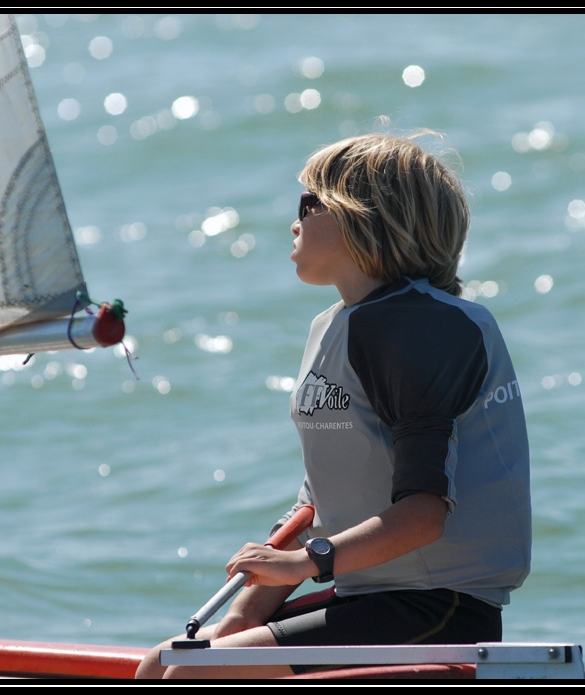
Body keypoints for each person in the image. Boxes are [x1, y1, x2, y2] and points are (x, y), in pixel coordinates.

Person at [136, 132, 530, 679]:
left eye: (307, 203)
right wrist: (237, 623)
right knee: (164, 662)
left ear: (361, 218)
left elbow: (423, 515)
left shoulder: (426, 329)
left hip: (439, 612)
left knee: (193, 674)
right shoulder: (334, 326)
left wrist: (302, 563)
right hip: (367, 598)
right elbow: (316, 508)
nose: (293, 223)